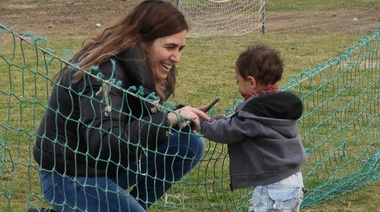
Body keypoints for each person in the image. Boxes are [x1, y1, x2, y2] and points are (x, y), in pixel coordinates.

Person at [30, 0, 210, 211]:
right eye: (170, 47)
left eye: (180, 48)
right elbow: (104, 142)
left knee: (190, 143)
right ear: (142, 41)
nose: (177, 57)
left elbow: (136, 119)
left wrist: (179, 118)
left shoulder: (149, 69)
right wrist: (168, 119)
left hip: (110, 167)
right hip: (70, 175)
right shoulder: (104, 71)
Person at [198, 45, 307, 212]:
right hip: (294, 181)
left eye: (238, 80)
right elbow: (243, 125)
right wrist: (223, 120)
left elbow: (229, 131)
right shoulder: (277, 106)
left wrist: (203, 124)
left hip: (273, 186)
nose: (237, 85)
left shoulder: (254, 112)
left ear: (251, 82)